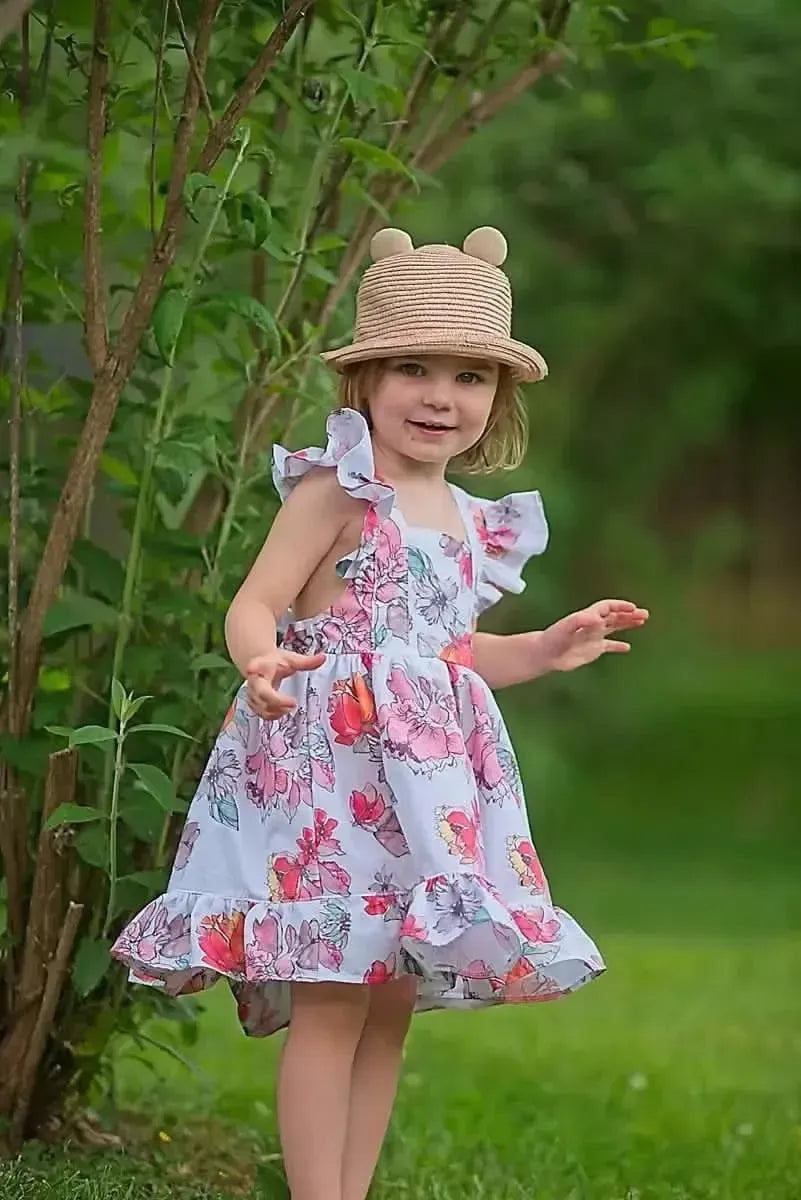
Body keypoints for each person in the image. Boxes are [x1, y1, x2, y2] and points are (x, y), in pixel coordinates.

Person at [112, 225, 648, 1200]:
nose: (442, 397)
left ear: (499, 396)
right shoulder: (337, 490)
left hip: (425, 794)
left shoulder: (464, 519)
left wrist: (542, 648)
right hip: (333, 785)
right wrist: (262, 658)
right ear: (365, 378)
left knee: (390, 999)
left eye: (470, 377)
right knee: (334, 993)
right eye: (414, 368)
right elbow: (255, 600)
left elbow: (449, 654)